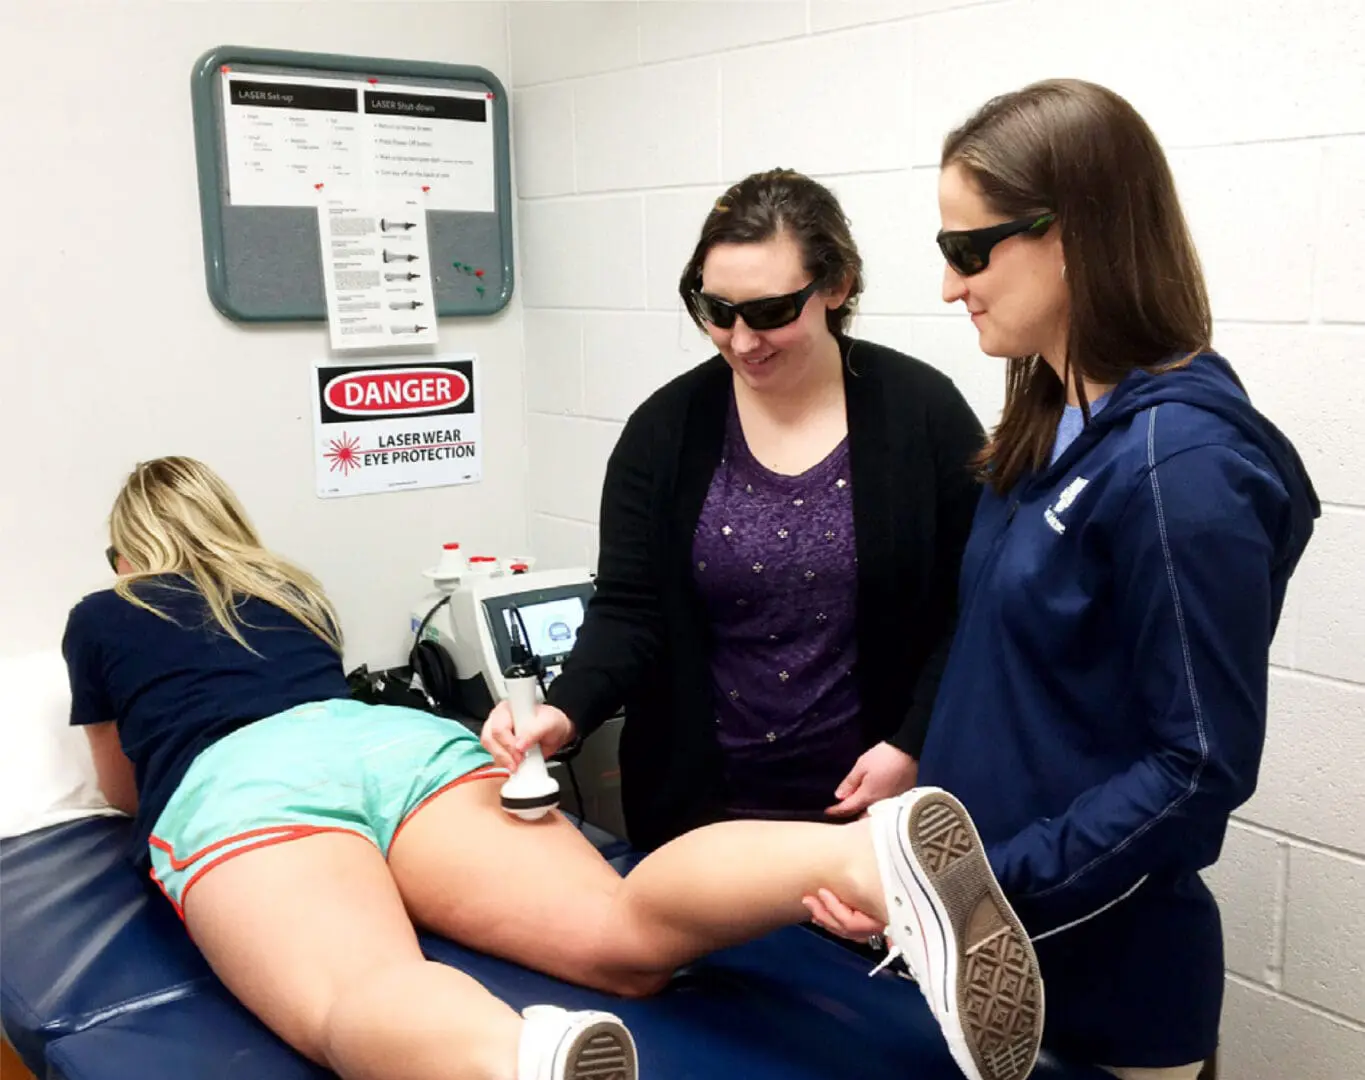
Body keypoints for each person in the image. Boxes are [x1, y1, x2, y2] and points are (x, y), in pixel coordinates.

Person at [63, 456, 1044, 1080]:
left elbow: (120, 789)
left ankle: (512, 1059)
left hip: (248, 789)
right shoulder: (290, 592)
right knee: (625, 938)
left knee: (355, 991)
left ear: (127, 551)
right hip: (397, 744)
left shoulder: (106, 614)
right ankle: (860, 862)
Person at [802, 80, 1320, 1080]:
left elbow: (1198, 769)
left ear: (1072, 234)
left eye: (969, 250)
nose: (951, 286)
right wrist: (921, 772)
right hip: (985, 962)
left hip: (1102, 993)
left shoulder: (1183, 468)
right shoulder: (1049, 420)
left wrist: (959, 893)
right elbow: (1024, 663)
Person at [482, 168, 986, 850]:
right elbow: (631, 609)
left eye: (771, 313)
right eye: (717, 311)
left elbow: (973, 607)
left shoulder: (920, 413)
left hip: (875, 802)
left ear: (834, 287)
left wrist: (913, 743)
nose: (742, 340)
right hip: (701, 810)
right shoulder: (665, 430)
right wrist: (563, 710)